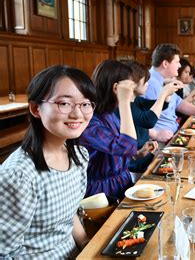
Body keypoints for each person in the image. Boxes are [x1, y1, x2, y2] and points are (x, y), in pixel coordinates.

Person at [0, 65, 95, 257]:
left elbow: (69, 218)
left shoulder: (78, 155)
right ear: (36, 108)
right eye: (64, 103)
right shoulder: (19, 176)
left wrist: (87, 245)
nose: (78, 114)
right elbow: (4, 252)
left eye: (85, 104)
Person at [80, 60, 142, 199]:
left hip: (121, 183)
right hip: (102, 193)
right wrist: (124, 102)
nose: (133, 93)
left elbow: (120, 150)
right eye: (130, 88)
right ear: (116, 88)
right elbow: (126, 146)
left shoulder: (108, 114)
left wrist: (137, 153)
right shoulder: (90, 122)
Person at [144, 44, 195, 143]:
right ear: (165, 64)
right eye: (177, 62)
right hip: (160, 144)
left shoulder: (162, 81)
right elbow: (136, 119)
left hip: (174, 135)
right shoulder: (149, 84)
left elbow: (179, 103)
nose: (179, 65)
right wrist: (155, 134)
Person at [119, 60, 180, 175]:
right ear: (132, 82)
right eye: (145, 80)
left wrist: (167, 94)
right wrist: (163, 93)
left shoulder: (136, 100)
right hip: (135, 164)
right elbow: (148, 121)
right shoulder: (125, 106)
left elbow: (159, 105)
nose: (148, 83)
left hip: (145, 154)